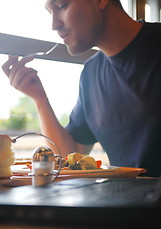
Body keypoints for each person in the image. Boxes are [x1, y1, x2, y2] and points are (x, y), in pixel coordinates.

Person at [2, 0, 161, 177]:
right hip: (124, 201)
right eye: (50, 13)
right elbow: (69, 155)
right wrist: (39, 98)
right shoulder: (91, 73)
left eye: (62, 6)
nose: (54, 25)